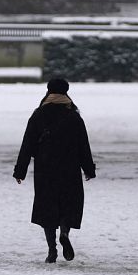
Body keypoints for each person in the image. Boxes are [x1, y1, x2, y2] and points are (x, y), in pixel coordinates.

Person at [13, 78, 96, 264]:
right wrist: (88, 169)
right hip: (69, 168)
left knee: (47, 208)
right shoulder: (74, 117)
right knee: (68, 203)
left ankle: (52, 249)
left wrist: (20, 171)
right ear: (66, 92)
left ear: (49, 91)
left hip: (45, 169)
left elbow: (27, 144)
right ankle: (65, 232)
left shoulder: (39, 115)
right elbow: (84, 145)